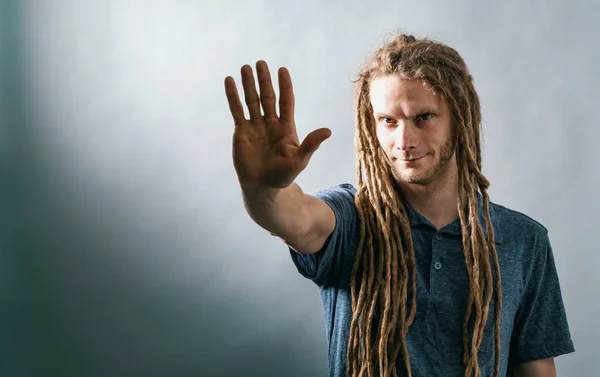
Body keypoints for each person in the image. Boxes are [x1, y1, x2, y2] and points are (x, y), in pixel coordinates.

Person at [224, 32, 574, 377]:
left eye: (423, 117)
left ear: (460, 120)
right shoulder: (350, 218)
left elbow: (537, 368)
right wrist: (261, 189)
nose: (404, 141)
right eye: (388, 121)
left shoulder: (523, 240)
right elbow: (294, 218)